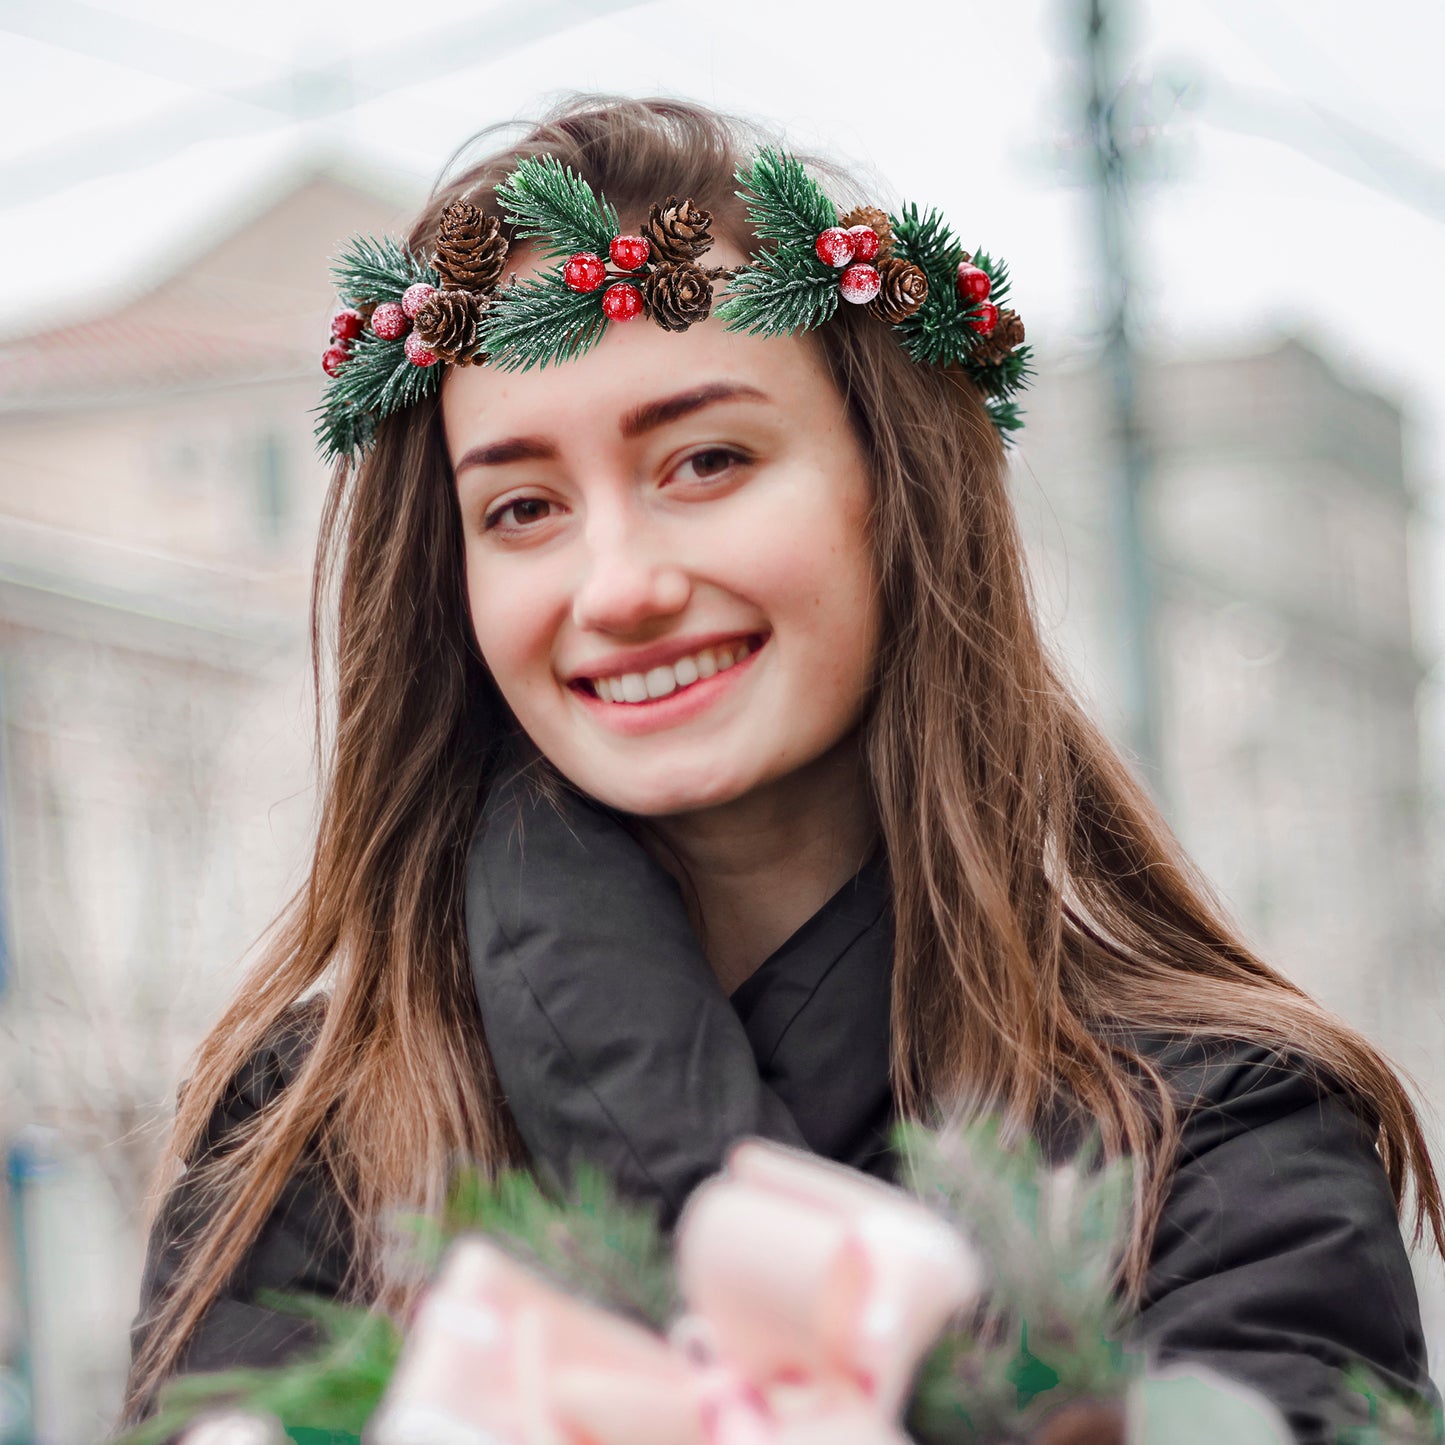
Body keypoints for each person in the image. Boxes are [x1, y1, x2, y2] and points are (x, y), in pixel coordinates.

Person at [121, 94, 1442, 1443]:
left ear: (893, 494)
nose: (620, 583)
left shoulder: (1211, 1134)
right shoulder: (313, 1144)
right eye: (522, 507)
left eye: (706, 460)